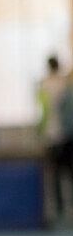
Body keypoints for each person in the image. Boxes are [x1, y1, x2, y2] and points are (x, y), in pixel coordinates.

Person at [37, 55, 71, 217]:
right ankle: (64, 207)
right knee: (68, 171)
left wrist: (40, 131)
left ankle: (58, 207)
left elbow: (43, 112)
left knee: (55, 173)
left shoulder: (44, 85)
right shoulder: (65, 84)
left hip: (52, 135)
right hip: (66, 135)